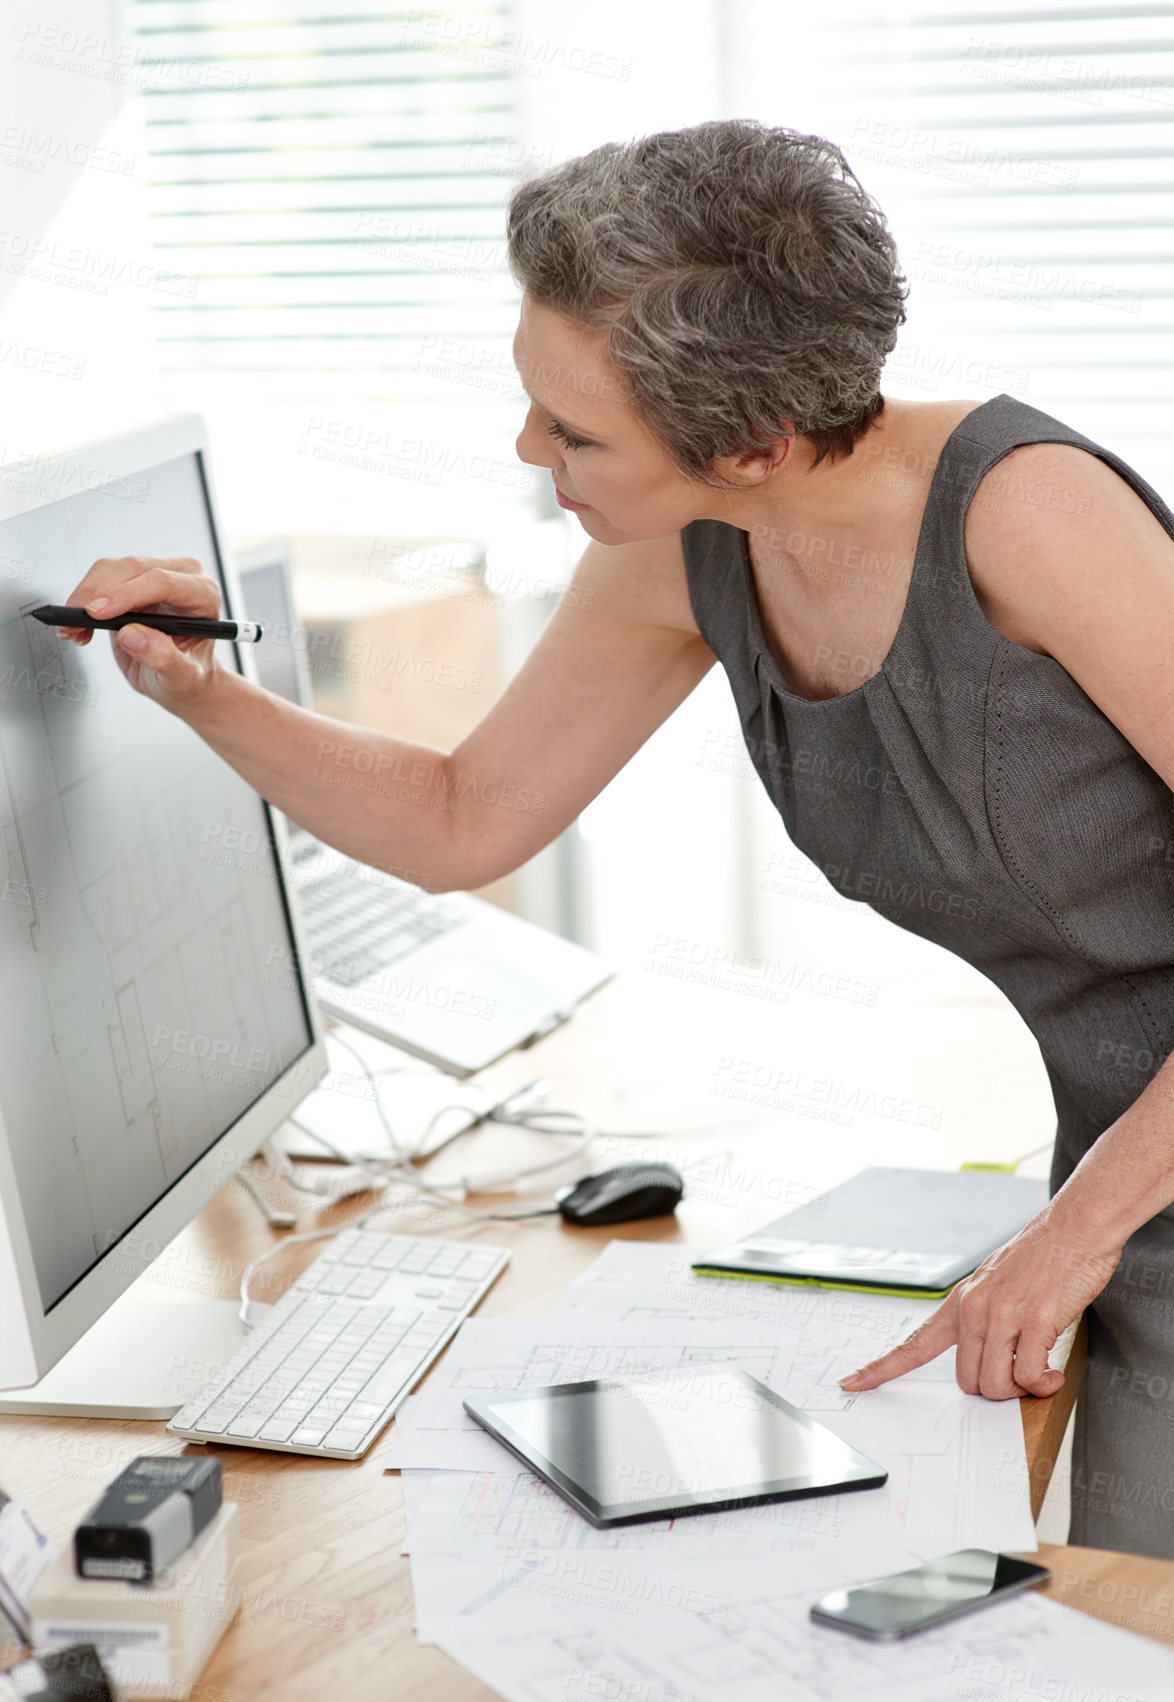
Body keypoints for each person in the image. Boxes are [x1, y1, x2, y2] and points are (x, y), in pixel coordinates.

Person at [62, 120, 1174, 1558]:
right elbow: (466, 816)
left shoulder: (1028, 516)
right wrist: (198, 691)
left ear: (756, 442)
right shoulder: (692, 535)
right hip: (1124, 1172)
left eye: (572, 431)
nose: (529, 451)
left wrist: (1076, 1228)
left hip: (1120, 1189)